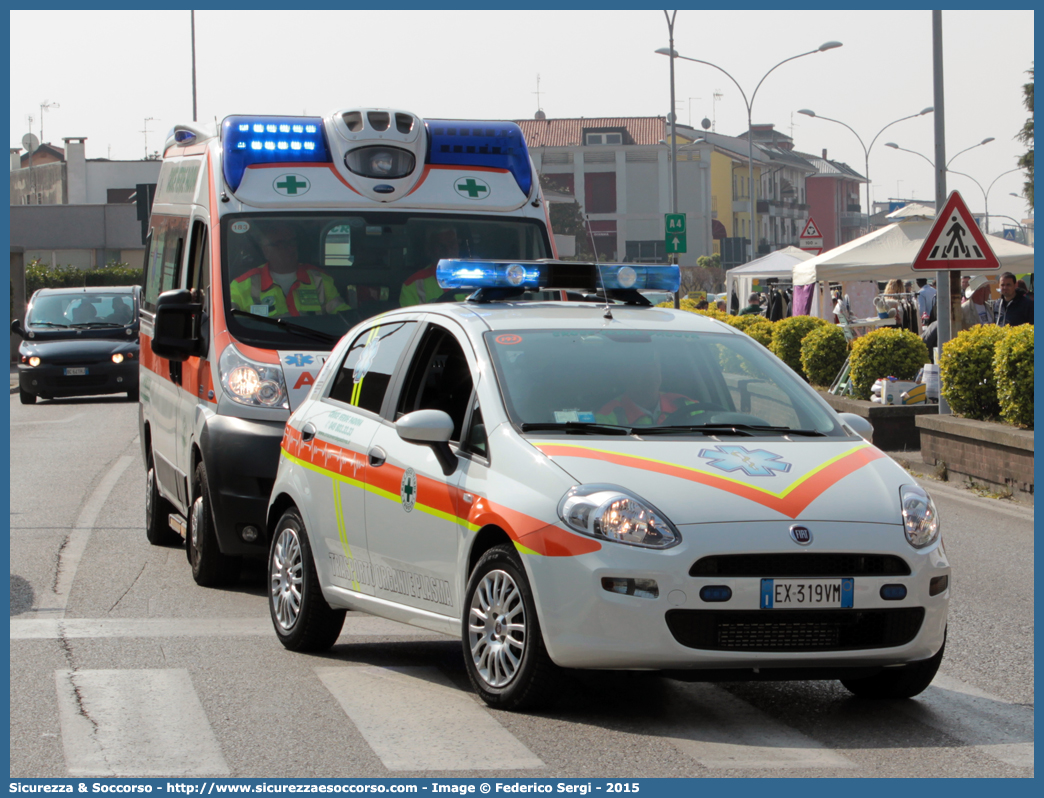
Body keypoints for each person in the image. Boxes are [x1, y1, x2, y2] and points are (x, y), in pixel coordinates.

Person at [230, 222, 351, 317]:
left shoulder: (319, 279)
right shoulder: (241, 286)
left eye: (292, 242)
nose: (288, 248)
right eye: (279, 243)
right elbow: (226, 323)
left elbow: (342, 316)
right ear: (265, 250)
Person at [596, 352, 702, 427]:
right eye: (642, 370)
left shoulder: (687, 405)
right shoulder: (608, 416)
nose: (650, 375)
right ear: (623, 376)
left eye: (654, 367)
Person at [400, 226, 469, 306]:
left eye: (452, 244)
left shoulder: (478, 278)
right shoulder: (412, 285)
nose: (448, 250)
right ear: (429, 250)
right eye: (441, 246)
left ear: (458, 246)